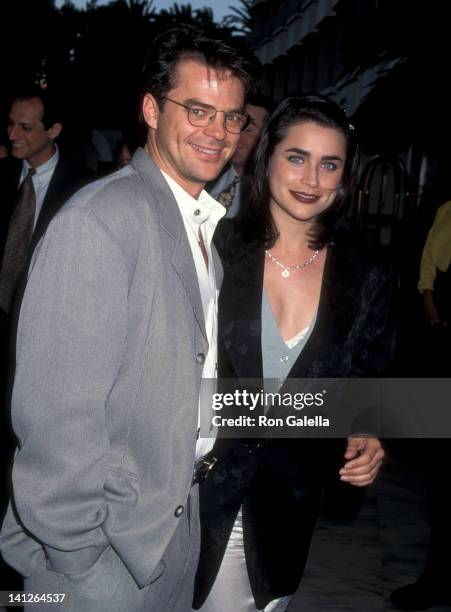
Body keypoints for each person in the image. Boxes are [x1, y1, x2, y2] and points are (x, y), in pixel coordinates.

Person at [0, 25, 259, 612]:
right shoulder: (101, 222)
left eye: (232, 117)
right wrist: (82, 564)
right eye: (198, 109)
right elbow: (56, 421)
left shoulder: (199, 226)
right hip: (100, 557)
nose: (217, 132)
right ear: (150, 108)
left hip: (168, 529)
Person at [193, 95, 395, 612]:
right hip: (195, 492)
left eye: (329, 164)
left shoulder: (366, 272)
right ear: (267, 158)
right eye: (297, 157)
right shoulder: (216, 245)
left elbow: (367, 373)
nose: (311, 179)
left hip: (287, 503)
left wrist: (368, 429)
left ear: (344, 178)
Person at [390, 201, 451, 610]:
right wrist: (428, 294)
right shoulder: (446, 209)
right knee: (442, 475)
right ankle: (436, 579)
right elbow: (431, 256)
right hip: (444, 340)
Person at [209, 93, 275, 218]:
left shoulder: (270, 194)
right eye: (234, 124)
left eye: (249, 130)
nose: (238, 135)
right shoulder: (207, 173)